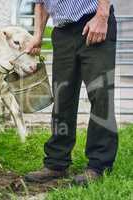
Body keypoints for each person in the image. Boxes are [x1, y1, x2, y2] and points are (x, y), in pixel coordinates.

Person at [24, 0, 118, 185]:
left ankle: (98, 165)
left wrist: (102, 15)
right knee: (62, 98)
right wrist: (37, 35)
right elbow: (41, 3)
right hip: (62, 31)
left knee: (100, 95)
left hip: (93, 22)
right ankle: (56, 163)